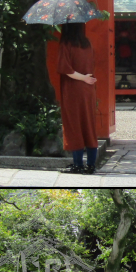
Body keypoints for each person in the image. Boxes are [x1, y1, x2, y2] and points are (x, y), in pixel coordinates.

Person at [57, 22, 98, 175]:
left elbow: (65, 69)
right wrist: (87, 79)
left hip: (73, 89)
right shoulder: (87, 44)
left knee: (73, 125)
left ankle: (78, 164)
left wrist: (82, 78)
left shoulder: (66, 44)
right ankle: (91, 165)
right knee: (88, 123)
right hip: (88, 90)